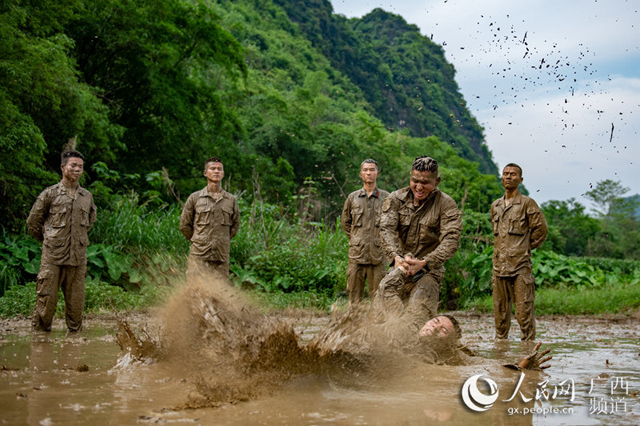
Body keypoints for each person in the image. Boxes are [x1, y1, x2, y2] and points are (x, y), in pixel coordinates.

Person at [374, 156, 463, 326]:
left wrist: (424, 262)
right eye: (415, 181)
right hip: (399, 268)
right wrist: (396, 258)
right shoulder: (395, 199)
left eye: (426, 182)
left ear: (436, 181)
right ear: (410, 177)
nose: (419, 187)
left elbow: (451, 239)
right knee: (379, 319)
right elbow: (386, 230)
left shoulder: (446, 204)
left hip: (428, 272)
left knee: (417, 321)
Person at [27, 150, 97, 333]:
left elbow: (89, 223)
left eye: (80, 167)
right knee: (46, 303)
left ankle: (74, 348)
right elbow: (33, 222)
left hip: (77, 259)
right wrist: (50, 240)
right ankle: (40, 344)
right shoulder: (49, 194)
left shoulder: (87, 197)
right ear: (63, 167)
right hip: (52, 258)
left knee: (76, 308)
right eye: (73, 165)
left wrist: (75, 240)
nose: (77, 169)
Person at [490, 163, 548, 341]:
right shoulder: (496, 205)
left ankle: (528, 353)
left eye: (513, 174)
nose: (509, 177)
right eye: (506, 174)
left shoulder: (527, 203)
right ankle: (501, 354)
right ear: (501, 178)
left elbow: (541, 229)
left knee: (524, 314)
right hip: (499, 266)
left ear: (520, 179)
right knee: (500, 316)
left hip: (520, 267)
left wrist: (525, 247)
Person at [180, 156, 240, 279]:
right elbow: (184, 225)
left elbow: (235, 226)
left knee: (220, 290)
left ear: (223, 174)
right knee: (195, 287)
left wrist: (221, 240)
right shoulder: (195, 198)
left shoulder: (231, 200)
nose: (216, 171)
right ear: (205, 173)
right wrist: (198, 240)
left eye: (219, 169)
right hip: (199, 253)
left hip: (221, 255)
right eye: (212, 168)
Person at [340, 159, 390, 306]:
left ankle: (376, 328)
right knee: (354, 298)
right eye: (366, 170)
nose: (369, 173)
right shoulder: (352, 198)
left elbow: (393, 225)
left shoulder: (387, 198)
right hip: (356, 255)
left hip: (378, 255)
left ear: (377, 174)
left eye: (372, 170)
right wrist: (356, 238)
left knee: (378, 298)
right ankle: (353, 326)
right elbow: (345, 222)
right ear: (361, 174)